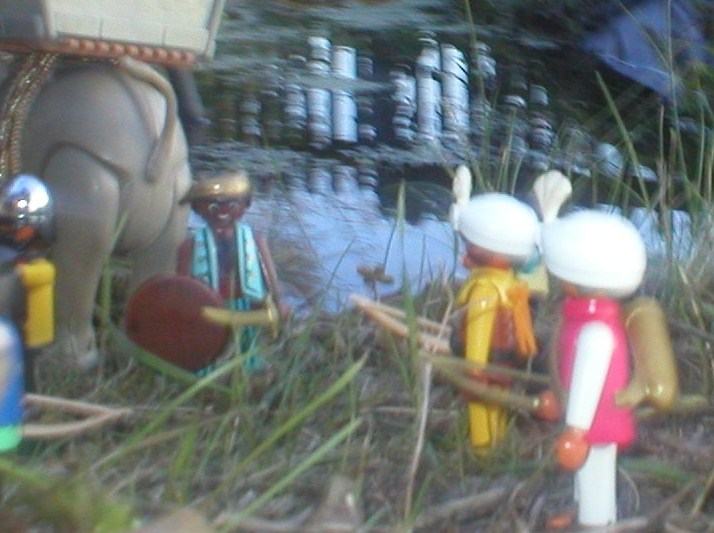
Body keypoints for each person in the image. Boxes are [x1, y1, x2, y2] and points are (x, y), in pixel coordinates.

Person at [542, 209, 646, 527]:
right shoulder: (583, 320)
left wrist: (575, 428)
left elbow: (588, 380)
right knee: (583, 471)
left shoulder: (595, 331)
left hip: (597, 420)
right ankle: (579, 508)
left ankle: (597, 522)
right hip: (588, 418)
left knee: (595, 474)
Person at [450, 166, 540, 450]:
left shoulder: (485, 288)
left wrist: (473, 369)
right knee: (498, 398)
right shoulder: (510, 281)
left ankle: (483, 449)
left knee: (481, 403)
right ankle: (496, 440)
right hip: (507, 356)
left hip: (487, 359)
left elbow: (478, 328)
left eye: (469, 245)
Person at [177, 171, 286, 372]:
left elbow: (269, 274)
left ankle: (249, 366)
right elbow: (181, 284)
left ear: (245, 205)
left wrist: (278, 301)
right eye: (213, 205)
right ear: (198, 208)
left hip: (245, 303)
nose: (223, 211)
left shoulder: (255, 240)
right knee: (208, 341)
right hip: (208, 307)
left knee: (247, 340)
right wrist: (184, 307)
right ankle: (206, 368)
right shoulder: (190, 245)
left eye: (232, 204)